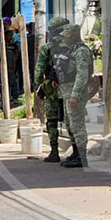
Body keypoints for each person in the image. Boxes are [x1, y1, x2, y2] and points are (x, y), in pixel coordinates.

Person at [55, 24, 94, 168]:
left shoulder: (81, 51)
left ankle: (81, 156)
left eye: (66, 34)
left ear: (73, 35)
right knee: (70, 124)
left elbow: (82, 75)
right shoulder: (71, 50)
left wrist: (75, 95)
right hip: (67, 92)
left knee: (77, 125)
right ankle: (76, 152)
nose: (64, 37)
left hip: (75, 93)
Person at [34, 17, 70, 162]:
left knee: (52, 120)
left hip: (51, 90)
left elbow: (39, 71)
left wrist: (39, 86)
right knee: (72, 121)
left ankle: (54, 152)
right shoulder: (74, 46)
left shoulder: (47, 48)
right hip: (70, 88)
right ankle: (77, 153)